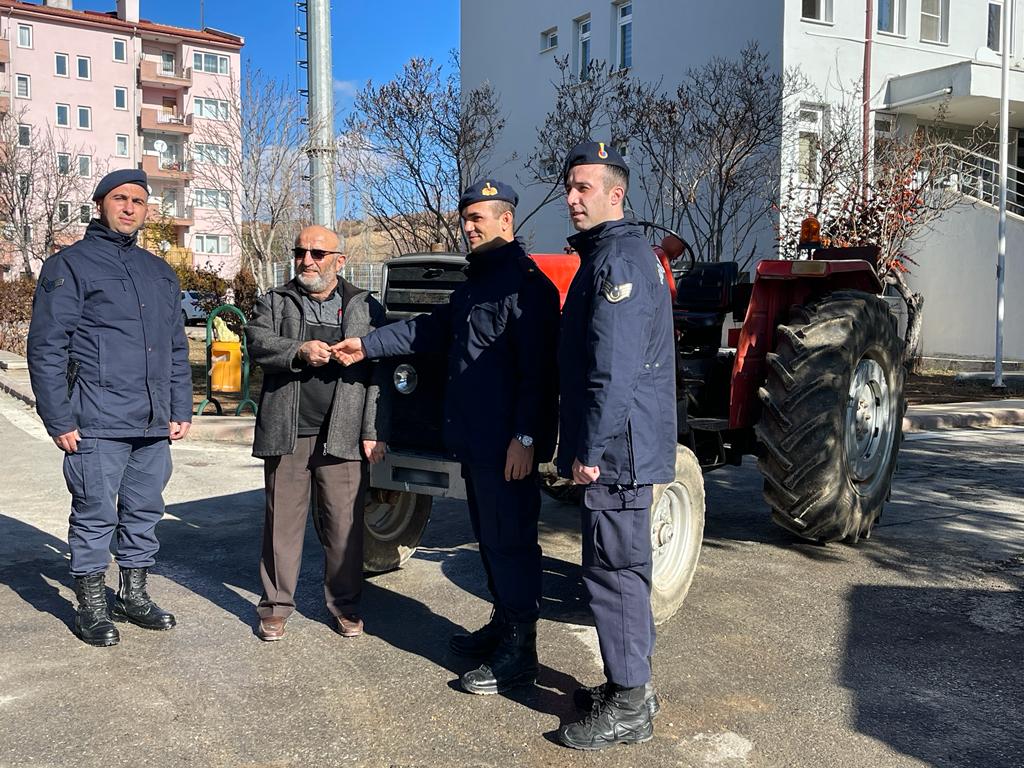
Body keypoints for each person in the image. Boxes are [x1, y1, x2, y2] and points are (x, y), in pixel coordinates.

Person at [333, 180, 560, 695]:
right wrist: (366, 346)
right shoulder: (477, 283)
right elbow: (427, 331)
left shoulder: (527, 287)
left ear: (507, 221)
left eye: (480, 217)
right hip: (477, 443)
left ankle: (520, 653)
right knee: (492, 541)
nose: (469, 226)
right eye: (467, 218)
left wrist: (526, 439)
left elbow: (538, 376)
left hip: (507, 446)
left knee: (513, 544)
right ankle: (504, 627)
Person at [27, 168, 191, 647]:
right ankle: (92, 606)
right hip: (95, 419)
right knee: (96, 511)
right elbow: (47, 348)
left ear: (146, 211)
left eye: (138, 201)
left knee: (144, 509)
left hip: (152, 421)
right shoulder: (70, 265)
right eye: (120, 198)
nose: (129, 208)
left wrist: (180, 407)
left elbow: (176, 346)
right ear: (100, 204)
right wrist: (59, 417)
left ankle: (134, 594)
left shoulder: (159, 272)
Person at [555, 142, 677, 750]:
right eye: (569, 187)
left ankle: (630, 705)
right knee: (621, 570)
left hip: (618, 451)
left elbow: (614, 368)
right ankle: (631, 686)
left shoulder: (619, 260)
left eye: (584, 187)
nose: (572, 198)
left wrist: (590, 448)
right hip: (621, 445)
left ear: (615, 193)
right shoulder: (613, 254)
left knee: (615, 572)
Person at [246, 225, 389, 642]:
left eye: (317, 253)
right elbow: (256, 342)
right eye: (300, 251)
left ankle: (345, 607)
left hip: (343, 434)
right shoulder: (275, 300)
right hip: (288, 433)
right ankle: (275, 608)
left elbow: (380, 373)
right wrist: (298, 351)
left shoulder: (364, 307)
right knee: (281, 525)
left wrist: (374, 429)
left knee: (343, 526)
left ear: (339, 261)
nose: (306, 260)